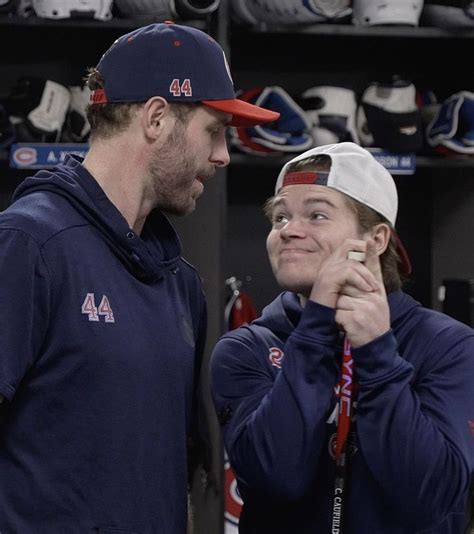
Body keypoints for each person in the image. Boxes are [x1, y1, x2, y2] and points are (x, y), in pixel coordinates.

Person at [0, 22, 279, 533]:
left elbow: (174, 470)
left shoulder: (179, 281)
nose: (222, 155)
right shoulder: (29, 244)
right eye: (214, 131)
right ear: (156, 118)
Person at [210, 142, 474, 533]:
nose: (289, 231)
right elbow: (275, 478)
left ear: (377, 239)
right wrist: (316, 328)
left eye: (317, 215)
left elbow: (432, 497)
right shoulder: (247, 347)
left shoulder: (448, 345)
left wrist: (378, 354)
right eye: (279, 217)